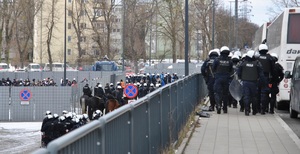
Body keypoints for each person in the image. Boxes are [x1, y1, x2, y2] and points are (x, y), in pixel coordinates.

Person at [237, 50, 267, 116]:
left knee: (246, 96)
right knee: (254, 97)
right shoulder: (257, 63)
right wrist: (264, 82)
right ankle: (254, 110)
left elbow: (238, 72)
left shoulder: (243, 63)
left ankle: (247, 110)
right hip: (254, 82)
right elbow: (261, 74)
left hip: (245, 82)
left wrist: (240, 78)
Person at [212, 46, 233, 114]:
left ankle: (218, 105)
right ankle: (225, 108)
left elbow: (213, 68)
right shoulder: (230, 61)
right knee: (225, 94)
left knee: (218, 93)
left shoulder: (217, 59)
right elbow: (231, 70)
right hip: (226, 79)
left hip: (218, 78)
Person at [257, 44, 275, 114]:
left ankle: (257, 108)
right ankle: (263, 109)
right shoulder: (270, 58)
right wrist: (272, 78)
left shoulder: (257, 57)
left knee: (257, 93)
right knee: (265, 94)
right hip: (266, 77)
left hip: (258, 77)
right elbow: (273, 69)